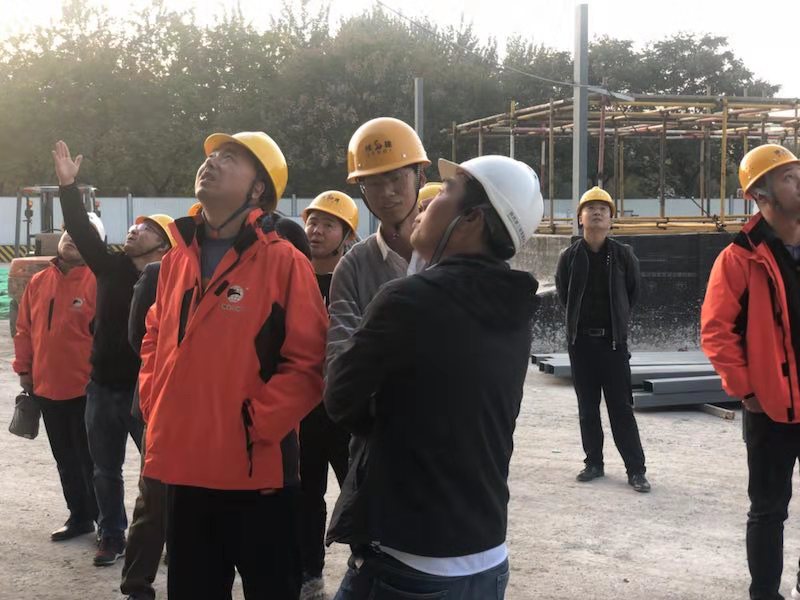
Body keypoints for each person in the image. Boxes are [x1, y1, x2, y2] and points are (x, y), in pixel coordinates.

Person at [324, 155, 543, 599]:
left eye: (445, 191)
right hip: (487, 558)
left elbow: (340, 397)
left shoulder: (406, 299)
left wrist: (390, 418)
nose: (425, 204)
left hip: (409, 563)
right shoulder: (516, 307)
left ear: (472, 219)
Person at [136, 131, 327, 599]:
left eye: (230, 158)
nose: (213, 163)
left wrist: (254, 424)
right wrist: (156, 403)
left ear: (258, 188)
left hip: (257, 474)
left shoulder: (284, 262)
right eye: (212, 156)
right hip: (185, 467)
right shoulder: (177, 260)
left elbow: (309, 362)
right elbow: (154, 336)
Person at [53, 140, 175, 566]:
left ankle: (168, 537)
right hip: (103, 388)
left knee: (159, 472)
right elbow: (80, 227)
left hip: (148, 392)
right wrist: (68, 186)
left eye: (147, 229)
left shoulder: (172, 282)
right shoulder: (110, 267)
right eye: (134, 226)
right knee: (104, 470)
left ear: (163, 247)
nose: (134, 230)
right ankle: (111, 535)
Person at [702, 144, 800, 600]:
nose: (799, 184)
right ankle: (764, 593)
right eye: (788, 178)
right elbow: (716, 332)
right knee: (768, 510)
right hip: (770, 409)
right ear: (761, 195)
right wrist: (747, 391)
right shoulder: (739, 258)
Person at [555, 186, 650, 493]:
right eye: (590, 208)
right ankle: (593, 463)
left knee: (621, 408)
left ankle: (636, 470)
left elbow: (632, 293)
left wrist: (617, 325)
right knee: (587, 408)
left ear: (611, 219)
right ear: (580, 218)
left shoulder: (623, 255)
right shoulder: (569, 257)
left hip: (613, 345)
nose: (597, 213)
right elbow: (564, 295)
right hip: (581, 345)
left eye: (603, 209)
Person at [13, 221, 103, 542]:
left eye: (81, 235)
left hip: (86, 390)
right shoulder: (39, 282)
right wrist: (24, 370)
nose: (72, 239)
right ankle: (79, 516)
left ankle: (106, 522)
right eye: (68, 234)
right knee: (65, 458)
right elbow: (24, 330)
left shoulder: (99, 282)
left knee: (93, 461)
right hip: (46, 387)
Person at [326, 117, 429, 370]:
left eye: (396, 178)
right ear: (362, 190)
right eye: (373, 183)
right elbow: (339, 363)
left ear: (420, 178)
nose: (386, 193)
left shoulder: (451, 253)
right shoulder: (352, 268)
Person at [298, 190, 359, 599]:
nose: (316, 231)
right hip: (303, 407)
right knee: (306, 497)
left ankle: (366, 568)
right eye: (312, 222)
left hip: (345, 408)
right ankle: (310, 575)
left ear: (346, 234)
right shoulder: (295, 276)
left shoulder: (352, 280)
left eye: (328, 224)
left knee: (358, 494)